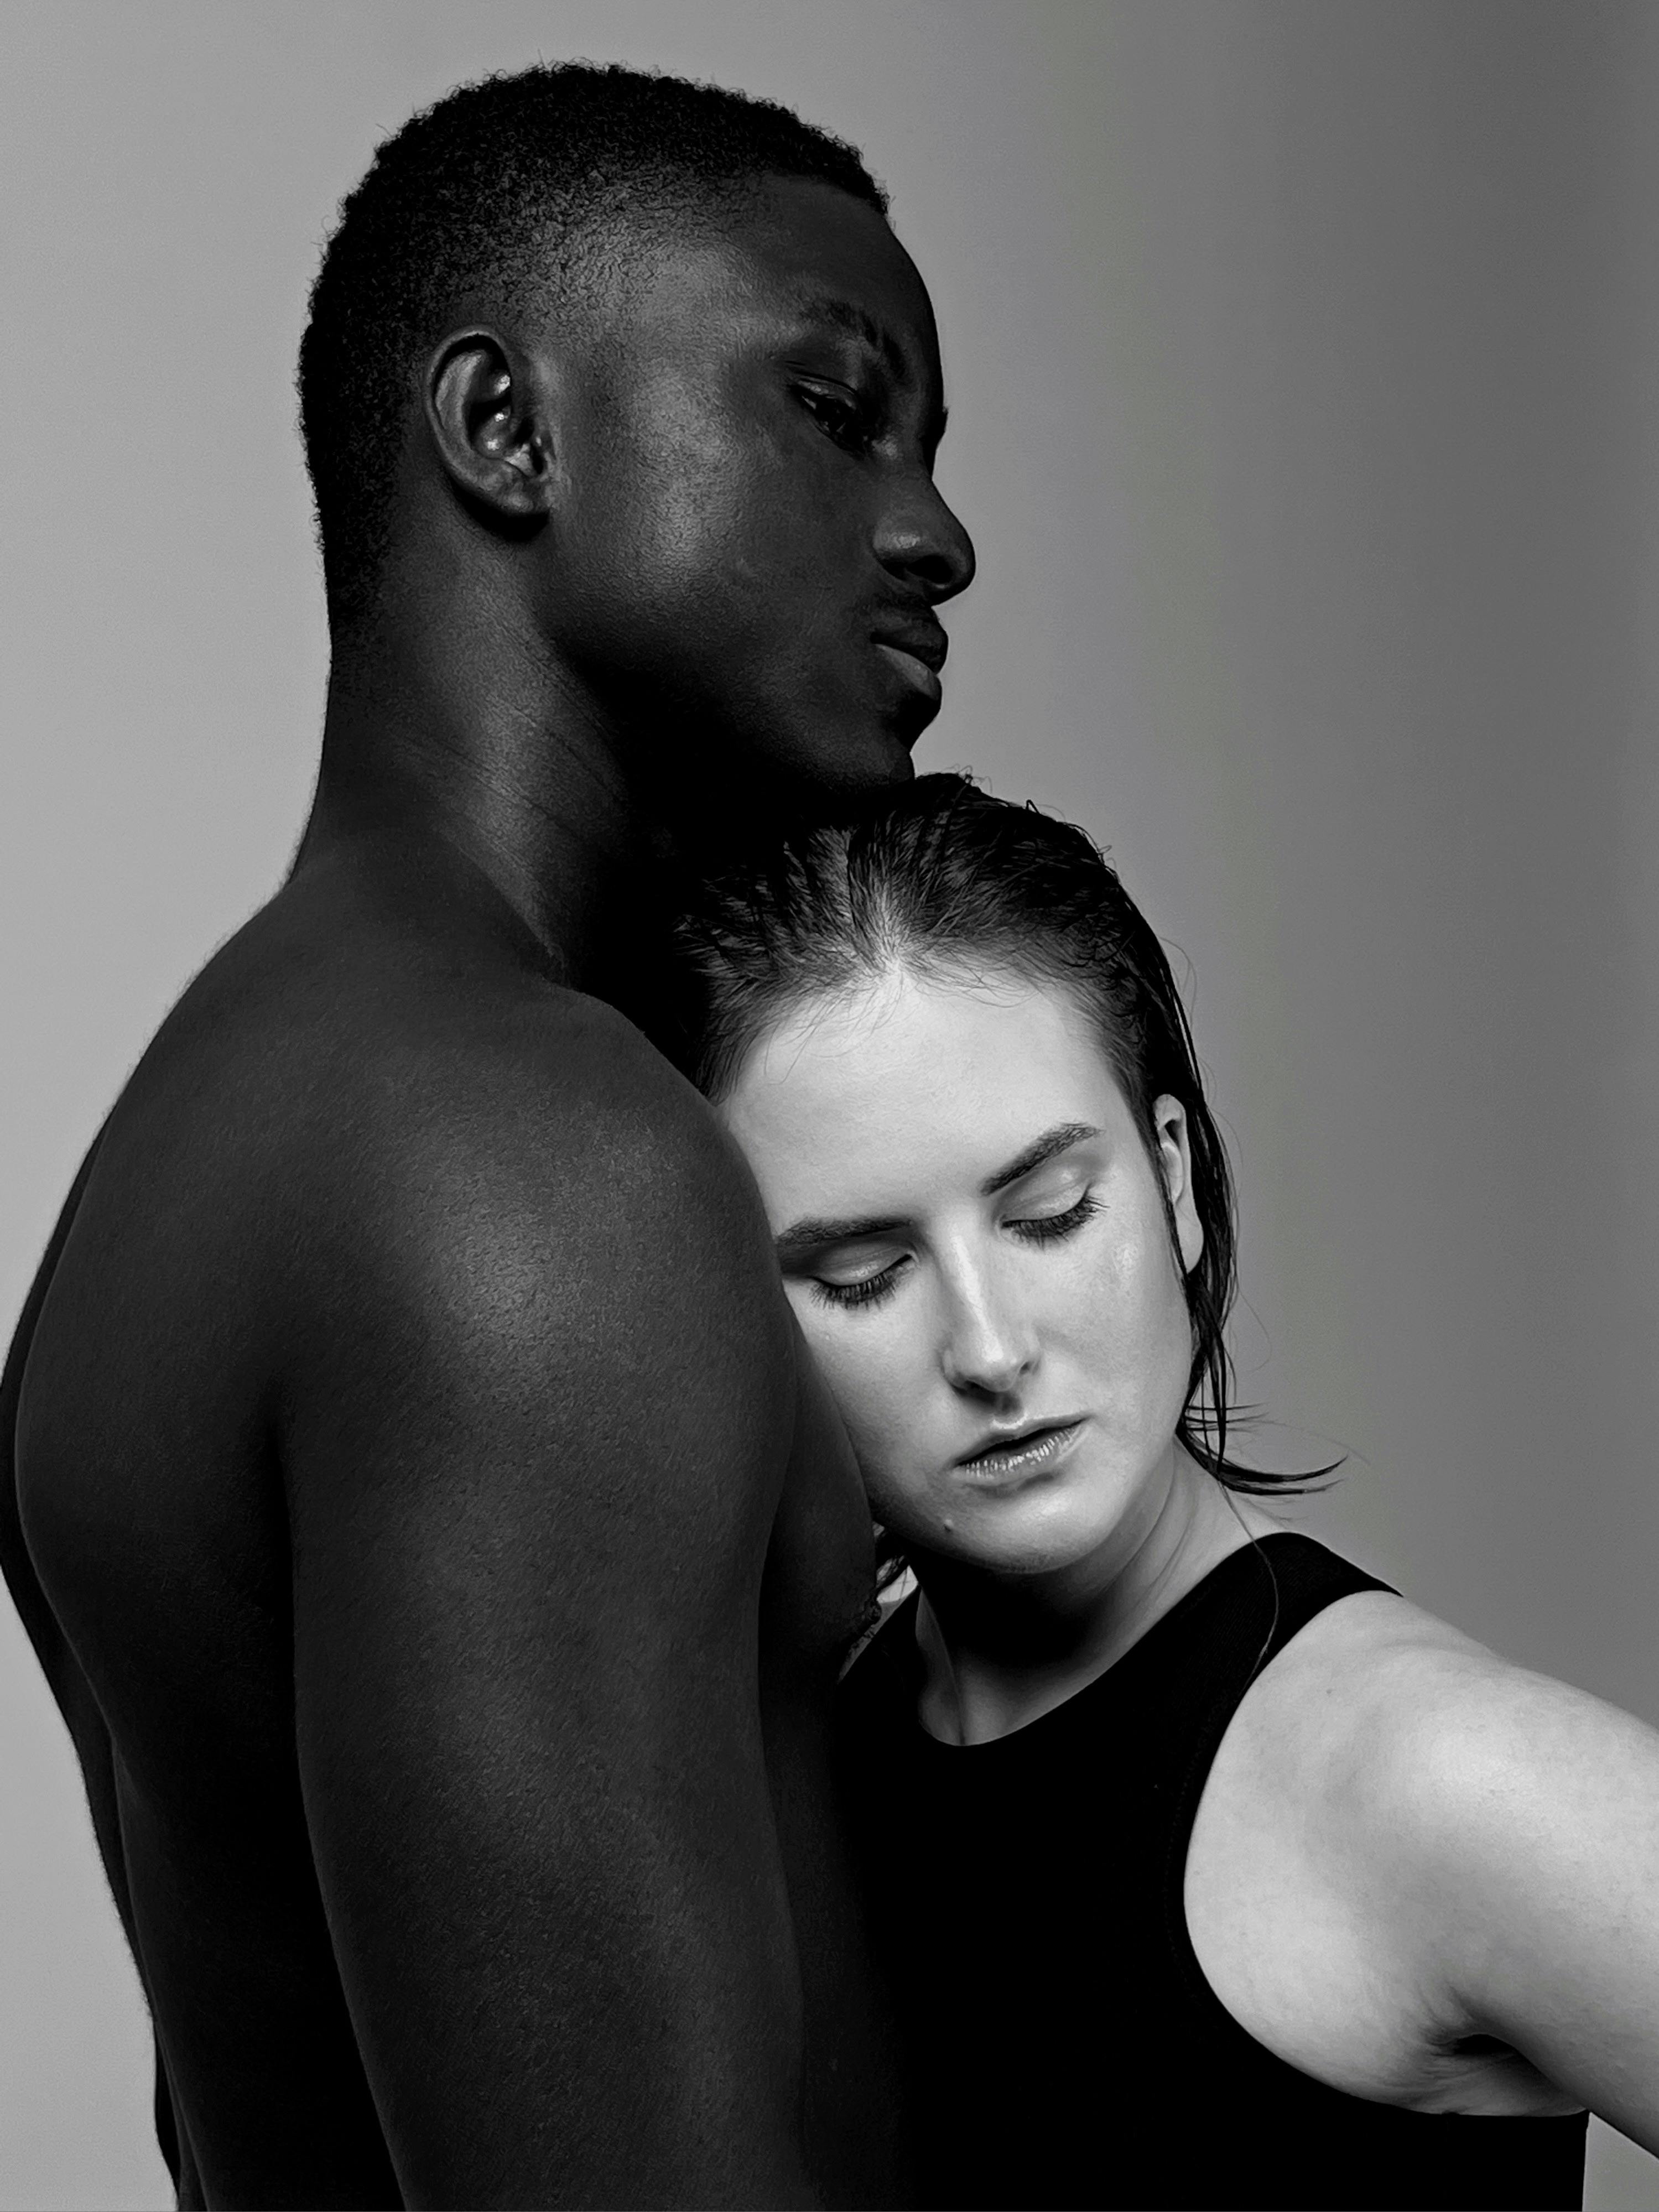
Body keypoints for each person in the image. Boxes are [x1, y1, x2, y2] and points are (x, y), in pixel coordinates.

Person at [0, 65, 974, 2209]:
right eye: (837, 409)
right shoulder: (527, 1161)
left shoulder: (203, 1145)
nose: (936, 536)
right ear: (507, 433)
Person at [663, 773, 1659, 2212]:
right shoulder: (804, 1768)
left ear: (1177, 1185)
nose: (992, 1349)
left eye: (1051, 1215)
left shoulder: (1435, 1777)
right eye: (863, 1276)